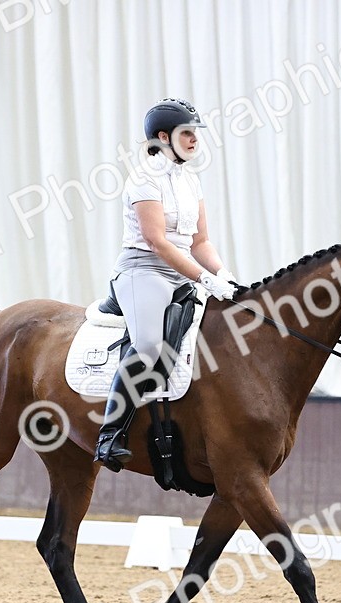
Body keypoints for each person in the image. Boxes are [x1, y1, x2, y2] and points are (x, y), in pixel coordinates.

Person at [93, 97, 239, 472]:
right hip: (144, 271)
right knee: (147, 345)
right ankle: (110, 435)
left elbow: (200, 241)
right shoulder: (144, 178)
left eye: (194, 133)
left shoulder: (190, 179)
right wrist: (203, 278)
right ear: (163, 137)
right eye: (187, 133)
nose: (194, 140)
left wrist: (223, 275)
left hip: (183, 271)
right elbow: (157, 242)